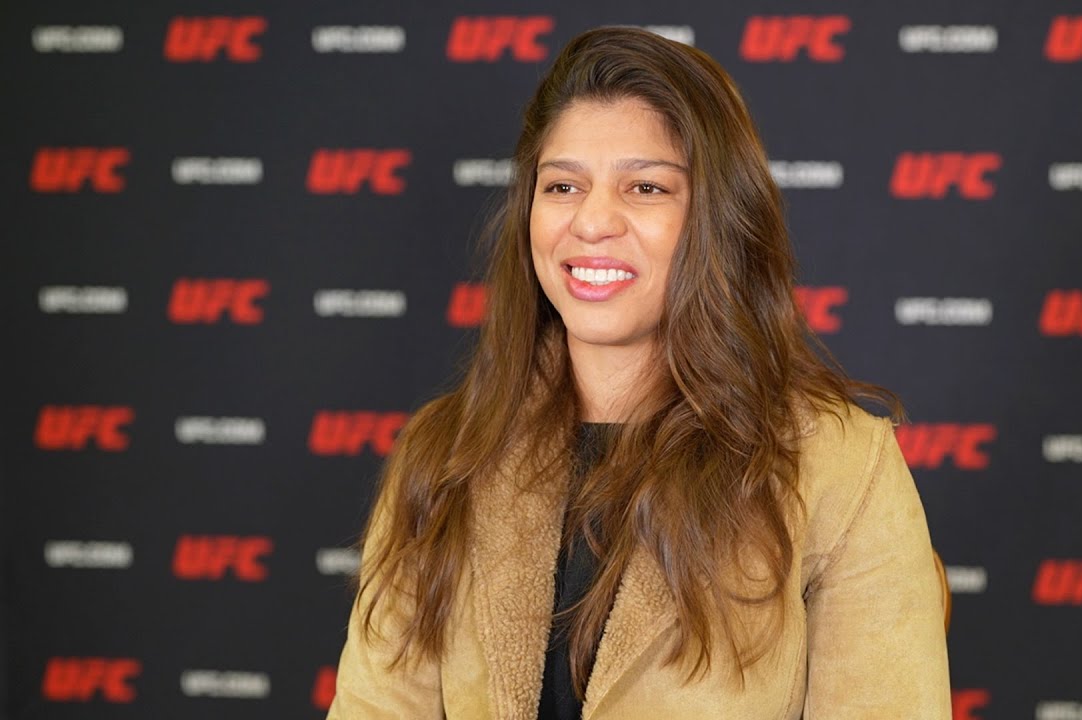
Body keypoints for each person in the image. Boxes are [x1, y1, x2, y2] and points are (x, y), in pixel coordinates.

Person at [327, 26, 951, 719]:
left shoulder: (839, 468)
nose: (593, 220)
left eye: (646, 187)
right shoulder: (445, 454)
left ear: (717, 219)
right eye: (563, 185)